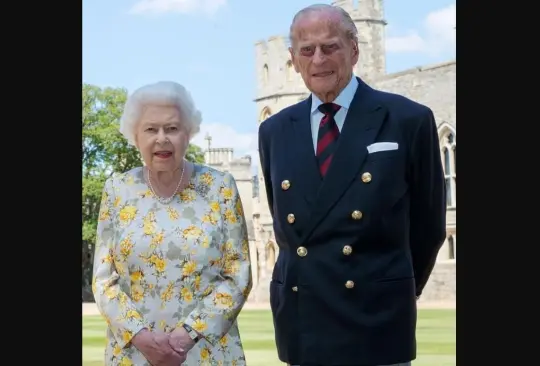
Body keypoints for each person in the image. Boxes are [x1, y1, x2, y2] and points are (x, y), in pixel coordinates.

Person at [258, 4, 446, 366]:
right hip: (303, 323)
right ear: (293, 60)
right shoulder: (274, 130)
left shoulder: (409, 120)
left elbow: (429, 225)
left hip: (376, 321)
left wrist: (392, 289)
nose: (318, 60)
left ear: (354, 50)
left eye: (330, 47)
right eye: (306, 50)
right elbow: (286, 227)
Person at [92, 81, 253, 366]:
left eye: (173, 128)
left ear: (188, 134)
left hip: (207, 352)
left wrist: (186, 335)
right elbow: (104, 280)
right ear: (135, 136)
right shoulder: (117, 189)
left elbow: (238, 275)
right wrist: (141, 337)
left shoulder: (220, 187)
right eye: (151, 129)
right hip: (134, 353)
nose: (162, 138)